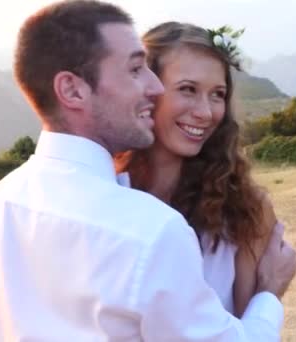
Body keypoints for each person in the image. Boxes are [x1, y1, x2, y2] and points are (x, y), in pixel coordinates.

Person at [0, 1, 296, 341]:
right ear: (71, 89)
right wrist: (270, 294)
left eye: (218, 95)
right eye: (137, 71)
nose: (151, 87)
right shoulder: (150, 230)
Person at [115, 21, 282, 318]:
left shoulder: (245, 210)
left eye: (217, 94)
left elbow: (251, 331)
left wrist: (268, 292)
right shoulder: (107, 194)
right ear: (147, 90)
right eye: (188, 89)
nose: (206, 112)